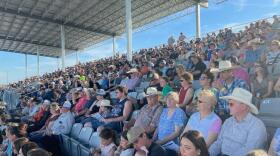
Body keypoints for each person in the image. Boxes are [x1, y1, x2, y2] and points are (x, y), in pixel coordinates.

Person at [209, 88, 267, 156]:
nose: (228, 107)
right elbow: (219, 143)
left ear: (243, 106)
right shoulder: (228, 121)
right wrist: (207, 153)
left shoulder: (257, 126)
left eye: (231, 104)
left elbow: (249, 151)